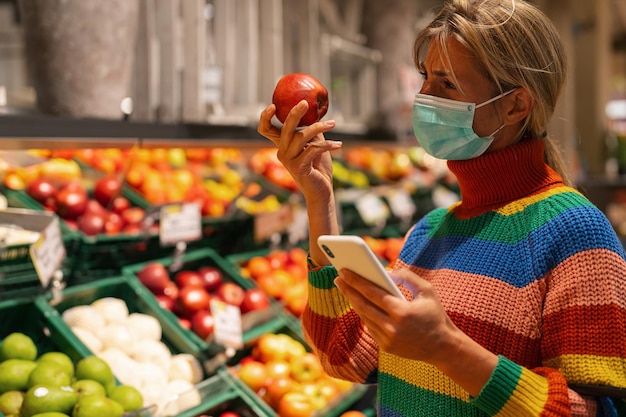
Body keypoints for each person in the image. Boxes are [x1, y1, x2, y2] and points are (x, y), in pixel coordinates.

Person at [257, 0, 626, 415]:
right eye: (425, 77)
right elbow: (343, 355)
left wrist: (446, 347)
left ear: (515, 105)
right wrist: (318, 199)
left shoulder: (575, 233)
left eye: (447, 84)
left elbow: (593, 411)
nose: (423, 98)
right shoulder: (429, 232)